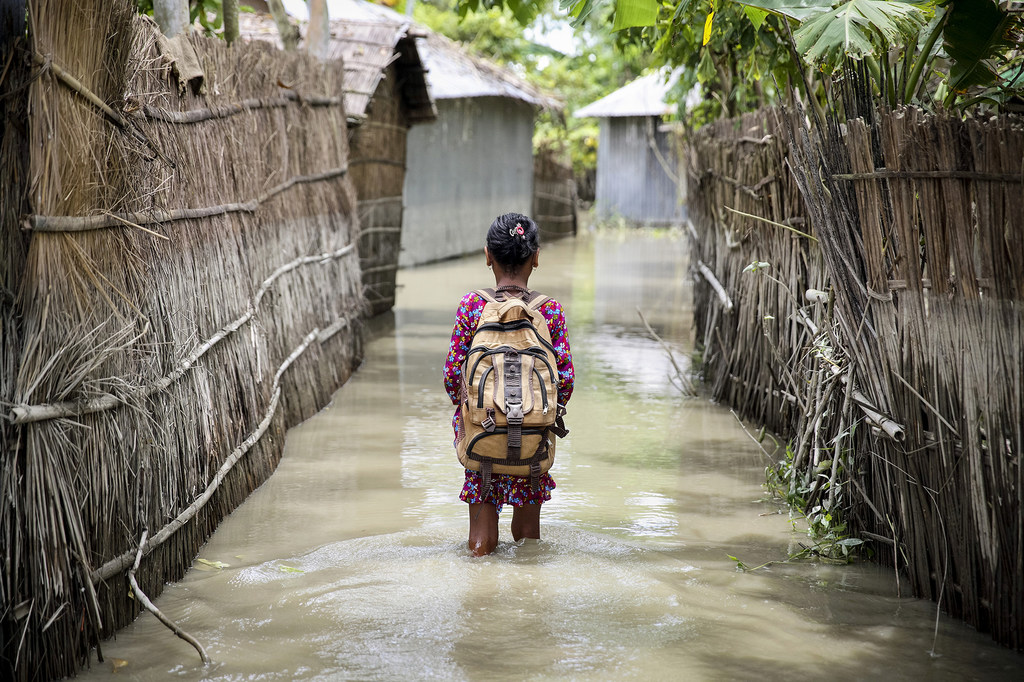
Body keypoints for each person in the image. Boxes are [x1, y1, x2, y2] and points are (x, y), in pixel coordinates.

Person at [443, 212, 574, 556]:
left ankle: (480, 595)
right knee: (528, 541)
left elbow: (452, 377)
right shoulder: (550, 311)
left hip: (482, 433)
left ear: (488, 255)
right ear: (536, 257)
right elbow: (566, 383)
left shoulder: (473, 306)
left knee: (481, 542)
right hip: (532, 439)